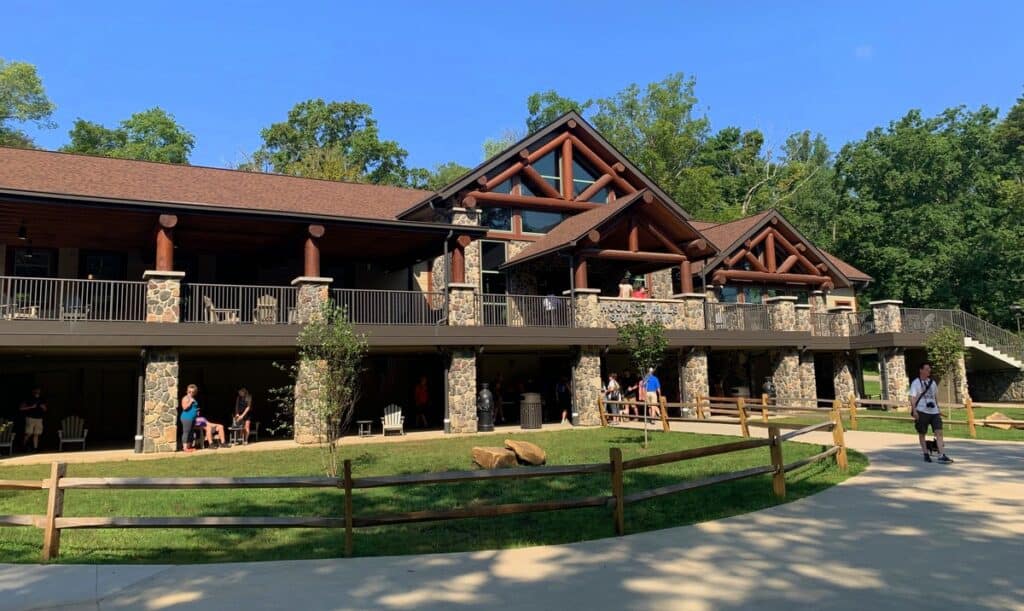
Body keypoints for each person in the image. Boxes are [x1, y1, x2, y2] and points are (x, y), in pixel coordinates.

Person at [909, 362, 953, 464]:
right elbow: (913, 397)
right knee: (922, 433)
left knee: (939, 431)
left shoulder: (932, 383)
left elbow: (935, 397)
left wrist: (938, 408)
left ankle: (941, 454)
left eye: (929, 369)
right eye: (927, 369)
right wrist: (914, 410)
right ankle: (925, 453)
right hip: (922, 411)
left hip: (934, 412)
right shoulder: (916, 383)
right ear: (921, 370)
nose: (929, 371)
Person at [19, 387, 46, 452]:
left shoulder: (41, 399)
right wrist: (31, 407)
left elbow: (45, 409)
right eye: (36, 391)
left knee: (37, 434)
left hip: (39, 418)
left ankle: (35, 448)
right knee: (29, 433)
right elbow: (21, 408)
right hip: (30, 418)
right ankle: (23, 445)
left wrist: (43, 407)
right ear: (33, 391)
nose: (37, 392)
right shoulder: (28, 399)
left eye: (39, 391)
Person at [180, 384, 200, 452]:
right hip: (186, 418)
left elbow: (194, 408)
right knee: (186, 432)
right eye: (189, 391)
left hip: (192, 418)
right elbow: (184, 408)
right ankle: (185, 448)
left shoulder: (193, 398)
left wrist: (196, 411)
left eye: (193, 392)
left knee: (191, 432)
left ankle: (189, 447)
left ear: (195, 392)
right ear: (187, 391)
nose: (191, 393)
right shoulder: (185, 398)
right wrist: (190, 402)